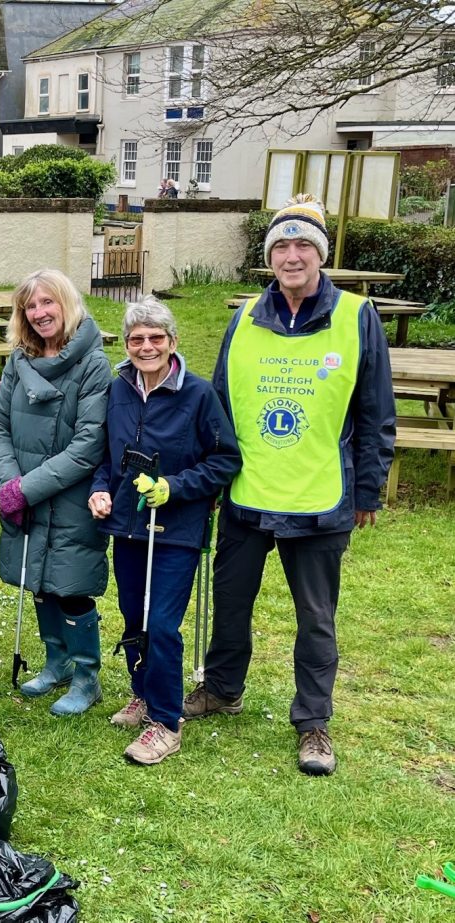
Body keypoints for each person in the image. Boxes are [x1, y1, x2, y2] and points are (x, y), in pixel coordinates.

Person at [184, 194, 395, 776]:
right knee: (231, 604)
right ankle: (223, 689)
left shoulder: (357, 315)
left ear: (321, 256)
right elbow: (220, 405)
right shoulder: (244, 316)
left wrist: (369, 489)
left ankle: (313, 723)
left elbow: (376, 410)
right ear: (269, 256)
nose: (293, 255)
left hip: (321, 498)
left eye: (304, 245)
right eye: (282, 245)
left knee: (316, 617)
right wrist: (209, 478)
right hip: (248, 496)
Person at [89, 296, 241, 764]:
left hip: (175, 529)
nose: (147, 346)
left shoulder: (198, 395)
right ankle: (142, 691)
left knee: (161, 624)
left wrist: (173, 487)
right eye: (137, 339)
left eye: (156, 338)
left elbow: (225, 460)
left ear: (173, 342)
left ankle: (165, 720)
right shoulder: (117, 390)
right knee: (134, 617)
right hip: (128, 526)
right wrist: (101, 490)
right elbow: (105, 455)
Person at [0, 268, 111, 717]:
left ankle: (86, 676)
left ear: (66, 303)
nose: (39, 313)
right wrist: (10, 483)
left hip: (71, 500)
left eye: (47, 302)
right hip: (24, 489)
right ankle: (55, 662)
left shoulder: (93, 365)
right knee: (38, 582)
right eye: (30, 306)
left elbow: (87, 446)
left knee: (70, 586)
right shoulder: (19, 361)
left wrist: (27, 488)